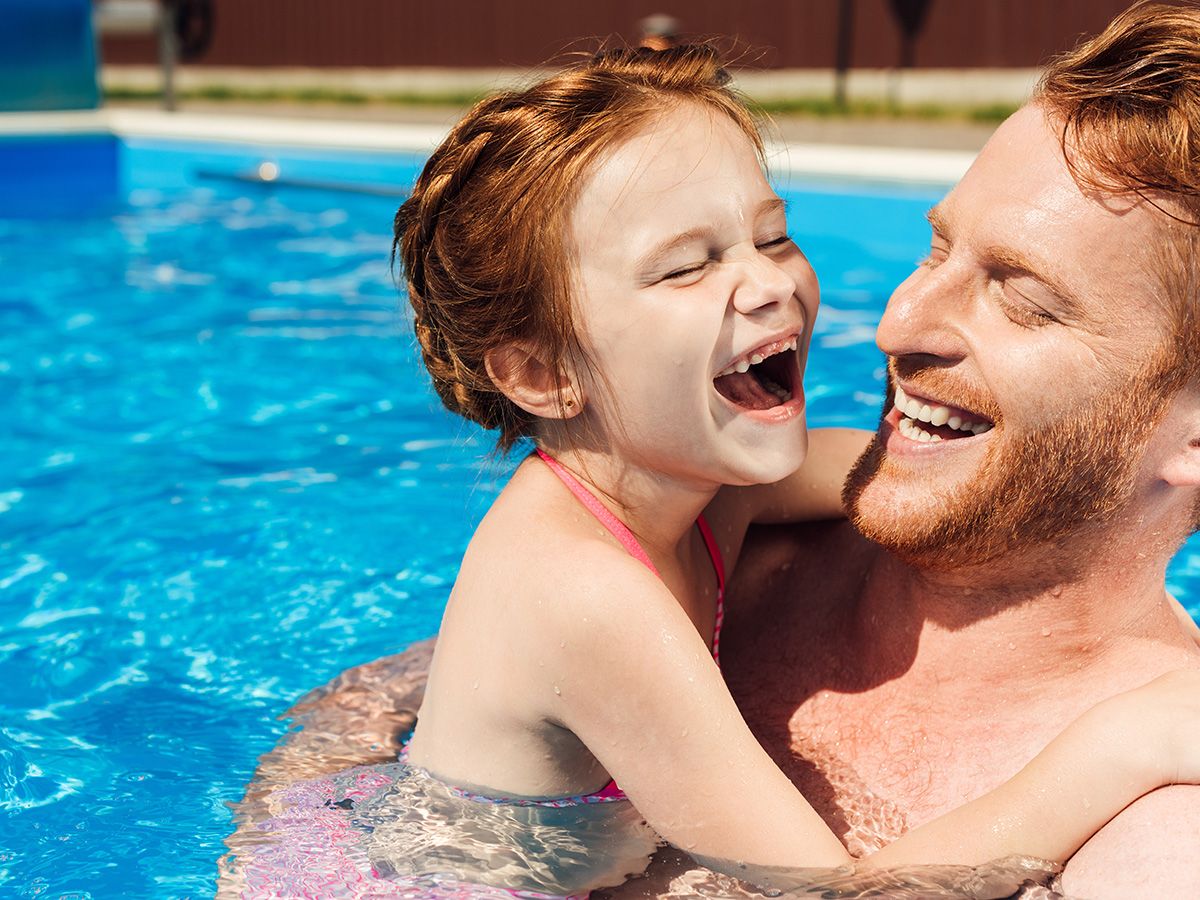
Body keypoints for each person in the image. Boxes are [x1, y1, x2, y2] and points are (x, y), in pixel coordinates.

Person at [711, 3, 1200, 897]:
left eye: (1024, 300)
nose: (900, 324)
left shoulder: (1164, 818)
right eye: (937, 247)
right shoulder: (718, 552)